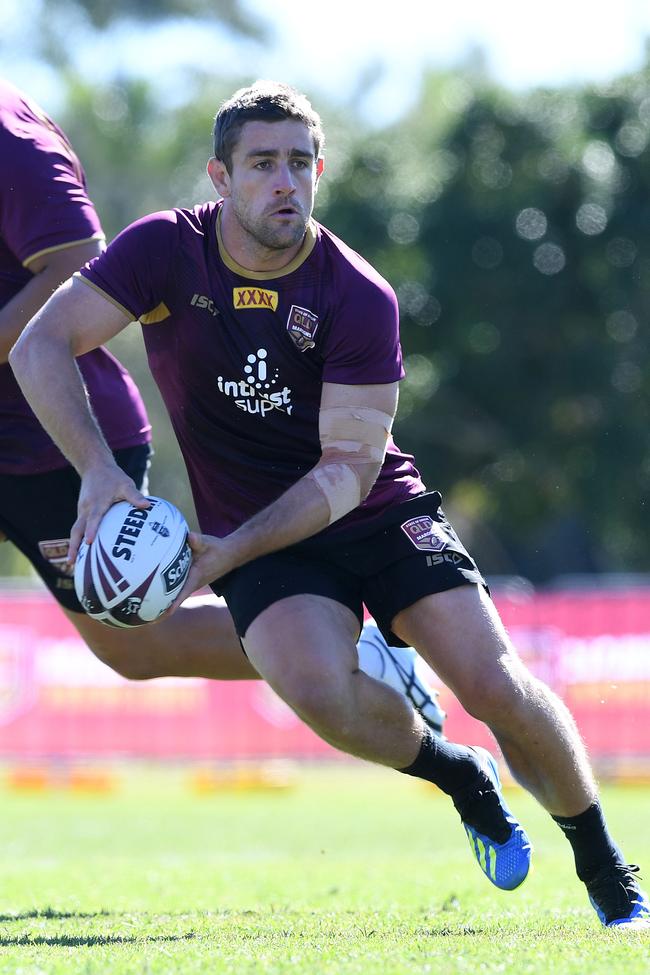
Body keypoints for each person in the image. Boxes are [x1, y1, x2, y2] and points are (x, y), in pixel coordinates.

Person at [10, 80, 647, 929]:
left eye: (301, 163)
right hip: (265, 537)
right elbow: (42, 340)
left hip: (373, 509)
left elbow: (347, 470)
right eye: (263, 164)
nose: (286, 182)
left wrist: (230, 551)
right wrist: (97, 468)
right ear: (219, 176)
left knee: (493, 682)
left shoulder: (357, 292)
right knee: (321, 693)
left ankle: (610, 875)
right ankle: (460, 775)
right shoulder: (164, 251)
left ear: (321, 171)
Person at [0, 77, 445, 733]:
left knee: (135, 643)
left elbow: (73, 256)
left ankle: (355, 650)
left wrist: (97, 467)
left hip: (45, 442)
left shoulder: (9, 135)